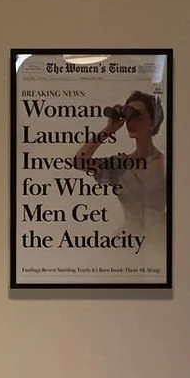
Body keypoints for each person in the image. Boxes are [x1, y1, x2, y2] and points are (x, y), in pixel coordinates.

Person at [72, 87, 168, 255]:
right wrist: (110, 129)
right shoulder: (120, 164)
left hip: (162, 245)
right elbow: (80, 162)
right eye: (129, 117)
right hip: (126, 246)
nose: (131, 122)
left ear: (154, 120)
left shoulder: (167, 164)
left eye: (138, 115)